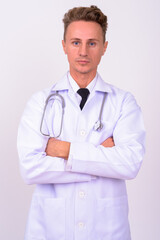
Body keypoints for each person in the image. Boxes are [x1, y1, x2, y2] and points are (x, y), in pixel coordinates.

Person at [17, 5, 145, 240]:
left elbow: (130, 163)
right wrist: (100, 160)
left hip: (108, 232)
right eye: (76, 42)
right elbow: (30, 169)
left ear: (104, 47)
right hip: (49, 231)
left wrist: (64, 150)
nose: (83, 51)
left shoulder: (124, 103)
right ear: (64, 45)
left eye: (92, 43)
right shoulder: (40, 103)